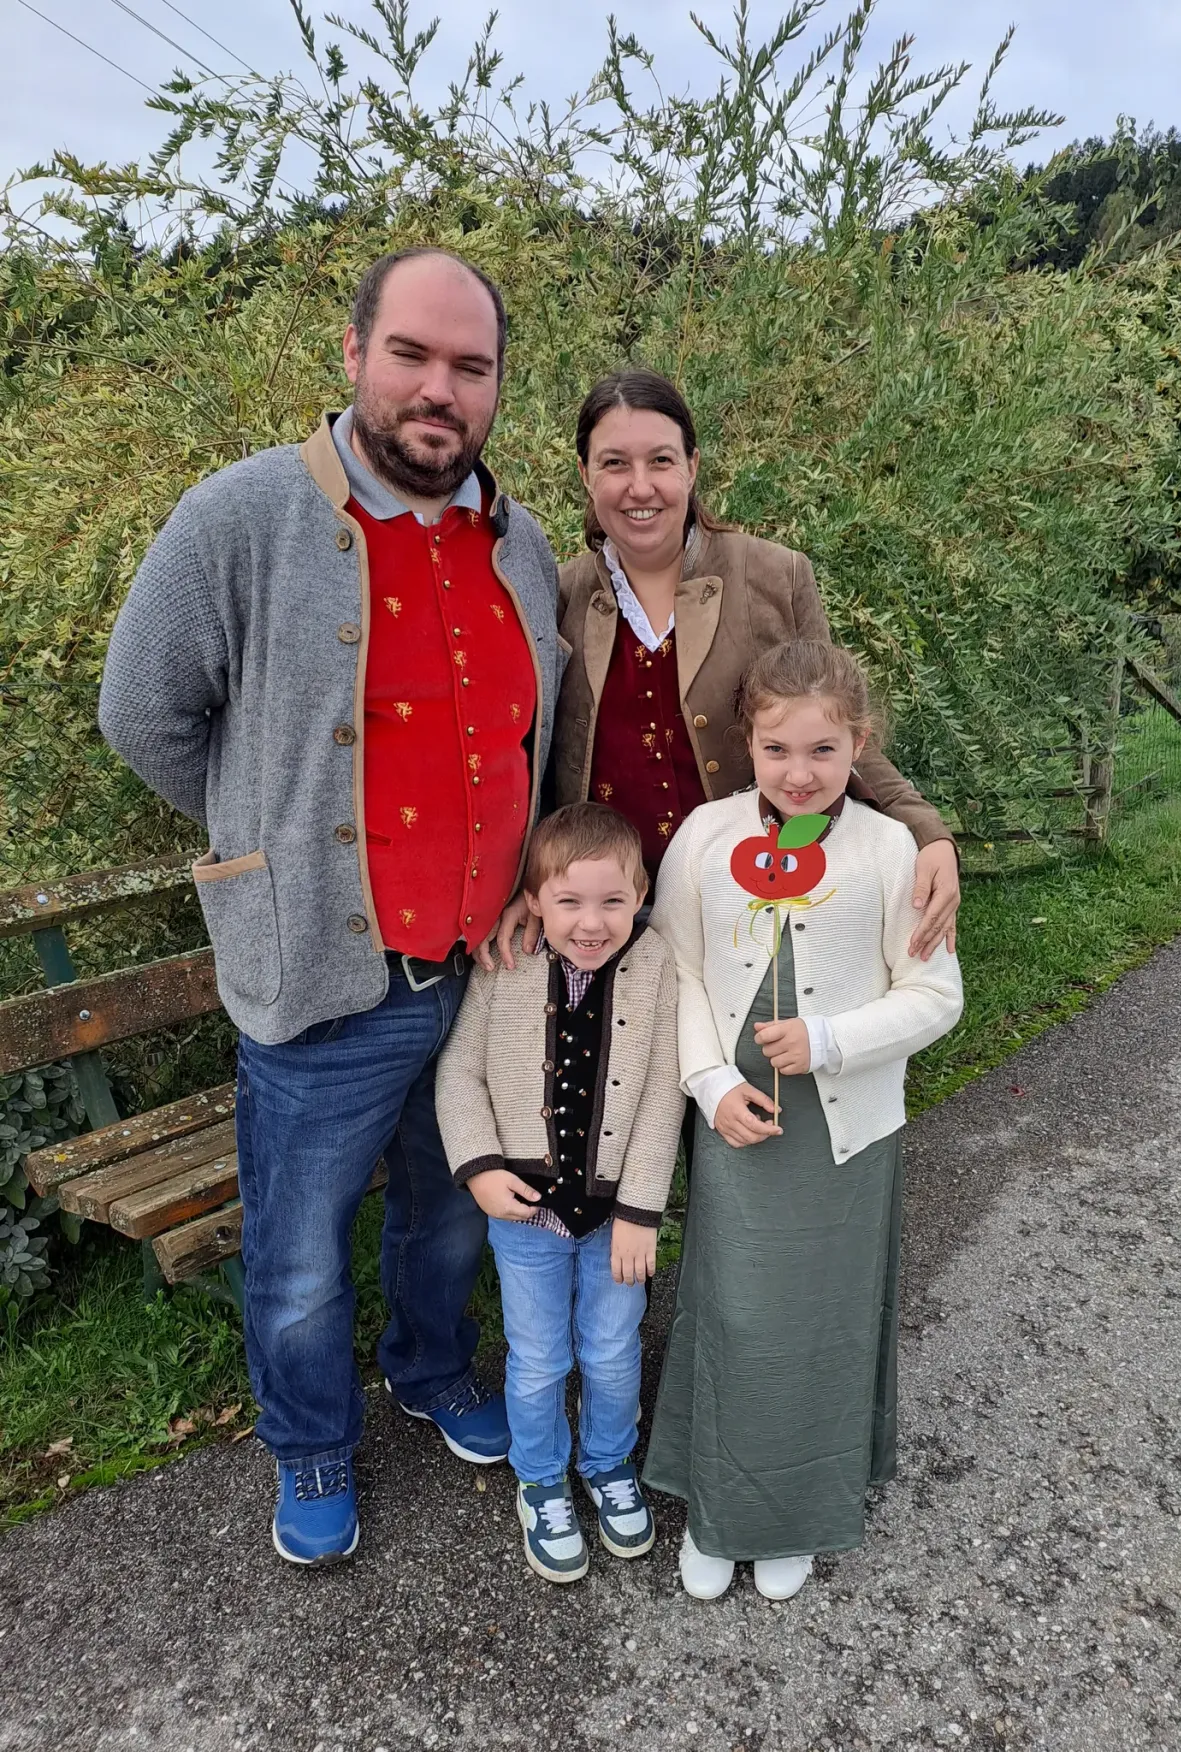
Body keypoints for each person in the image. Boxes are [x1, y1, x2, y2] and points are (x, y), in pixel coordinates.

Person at [98, 248, 568, 1566]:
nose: (439, 389)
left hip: (478, 973)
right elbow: (142, 714)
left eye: (469, 368)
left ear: (494, 389)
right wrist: (265, 841)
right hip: (316, 982)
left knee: (450, 1208)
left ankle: (429, 1368)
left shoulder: (517, 541)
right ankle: (308, 1442)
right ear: (353, 354)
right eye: (412, 355)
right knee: (299, 1255)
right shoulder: (239, 519)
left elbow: (533, 735)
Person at [646, 638, 964, 1601]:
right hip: (740, 1121)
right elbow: (681, 969)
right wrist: (707, 1082)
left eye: (824, 751)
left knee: (818, 1324)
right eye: (779, 749)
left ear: (858, 745)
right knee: (738, 1314)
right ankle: (722, 1509)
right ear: (748, 740)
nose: (799, 772)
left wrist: (828, 1040)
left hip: (842, 1133)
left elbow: (934, 995)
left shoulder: (888, 848)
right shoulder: (704, 836)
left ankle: (792, 1512)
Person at [488, 367, 959, 969]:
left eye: (660, 460)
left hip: (750, 901)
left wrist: (927, 831)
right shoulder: (558, 596)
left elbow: (835, 726)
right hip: (606, 918)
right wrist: (529, 880)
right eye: (614, 464)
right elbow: (534, 759)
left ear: (692, 466)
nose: (640, 486)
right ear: (585, 475)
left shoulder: (775, 576)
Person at [435, 803, 685, 1583]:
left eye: (613, 901)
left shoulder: (657, 965)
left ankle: (607, 1466)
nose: (591, 921)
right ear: (534, 900)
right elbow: (459, 1075)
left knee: (611, 1352)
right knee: (539, 1356)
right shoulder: (504, 967)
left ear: (640, 893)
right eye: (569, 901)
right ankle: (542, 1479)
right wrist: (478, 1167)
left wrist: (643, 1211)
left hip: (618, 1219)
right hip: (526, 1215)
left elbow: (661, 1096)